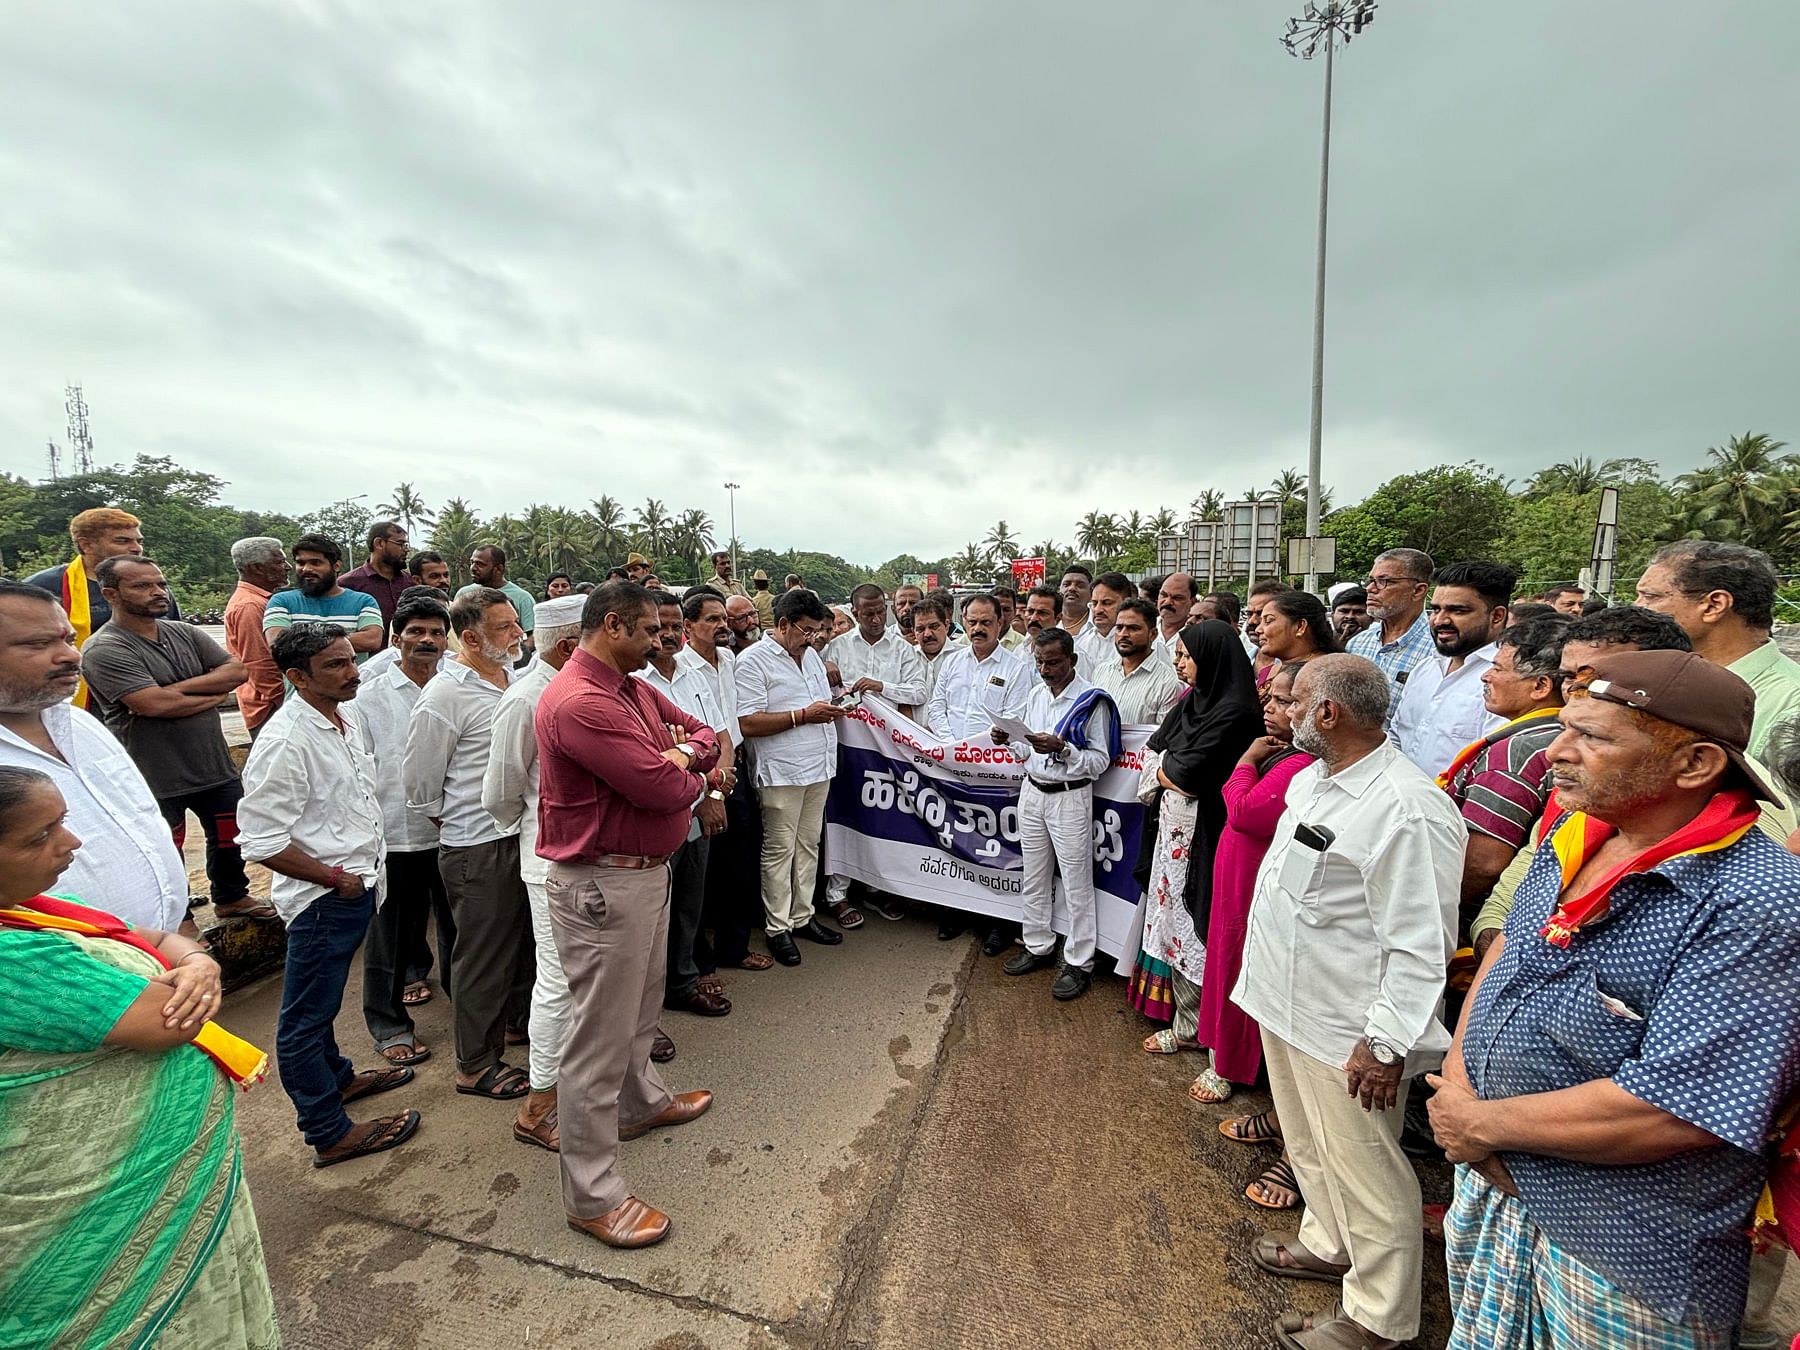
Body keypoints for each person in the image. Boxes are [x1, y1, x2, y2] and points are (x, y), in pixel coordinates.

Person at [1428, 650, 1800, 1349]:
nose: (1555, 753)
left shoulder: (1757, 901)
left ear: (1694, 765)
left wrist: (1484, 1125)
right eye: (1565, 727)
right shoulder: (1579, 830)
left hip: (1620, 1250)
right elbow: (1509, 955)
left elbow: (1680, 1108)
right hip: (1499, 1191)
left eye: (1592, 737)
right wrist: (1459, 1093)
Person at [0, 765, 279, 1347]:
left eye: (62, 823)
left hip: (164, 1189)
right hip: (91, 1215)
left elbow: (151, 937)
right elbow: (166, 1021)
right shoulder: (13, 960)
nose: (70, 842)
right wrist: (191, 972)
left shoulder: (39, 912)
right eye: (39, 836)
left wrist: (197, 961)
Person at [1233, 654, 1465, 1350]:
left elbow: (1422, 945)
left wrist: (1387, 1042)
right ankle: (1329, 1244)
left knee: (1367, 1169)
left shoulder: (1407, 809)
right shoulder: (1314, 777)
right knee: (1309, 1147)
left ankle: (1379, 1318)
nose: (1282, 709)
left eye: (1294, 700)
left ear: (1328, 713)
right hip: (1287, 1003)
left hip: (1347, 1026)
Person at [536, 580, 721, 1248]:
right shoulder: (583, 701)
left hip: (642, 876)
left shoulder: (633, 689)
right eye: (649, 631)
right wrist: (687, 763)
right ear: (612, 625)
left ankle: (641, 1101)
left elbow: (705, 734)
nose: (660, 642)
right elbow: (664, 783)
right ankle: (591, 1194)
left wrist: (683, 751)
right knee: (598, 1043)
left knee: (641, 1010)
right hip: (603, 885)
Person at [238, 624, 423, 1168]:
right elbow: (260, 840)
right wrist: (332, 879)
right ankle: (328, 1130)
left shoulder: (339, 720)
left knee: (320, 1010)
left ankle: (338, 1081)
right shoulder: (286, 740)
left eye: (350, 660)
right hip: (324, 898)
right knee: (305, 1019)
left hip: (355, 883)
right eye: (336, 666)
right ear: (297, 677)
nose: (352, 672)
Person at [404, 586, 535, 1101]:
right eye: (505, 629)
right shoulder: (443, 697)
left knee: (520, 944)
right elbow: (419, 785)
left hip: (517, 832)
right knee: (482, 955)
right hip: (477, 844)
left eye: (516, 625)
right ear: (473, 638)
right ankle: (475, 1064)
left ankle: (514, 1025)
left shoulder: (513, 680)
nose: (518, 635)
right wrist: (458, 825)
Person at [0, 580, 190, 933]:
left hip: (155, 951)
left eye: (68, 640)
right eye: (39, 643)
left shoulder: (79, 722)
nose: (72, 655)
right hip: (55, 975)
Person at [81, 556, 258, 923]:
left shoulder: (183, 632)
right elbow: (152, 703)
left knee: (231, 837)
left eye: (160, 584)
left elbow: (238, 671)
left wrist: (176, 693)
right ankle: (178, 919)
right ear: (110, 594)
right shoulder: (105, 649)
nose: (158, 592)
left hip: (213, 765)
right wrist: (206, 694)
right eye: (143, 586)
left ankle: (232, 897)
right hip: (155, 776)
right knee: (166, 848)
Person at [1201, 661, 1317, 1212]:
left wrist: (1245, 762)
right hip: (1242, 869)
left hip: (1256, 875)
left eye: (1283, 701)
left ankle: (1238, 1064)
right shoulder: (1288, 757)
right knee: (1228, 955)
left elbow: (1245, 811)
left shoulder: (1291, 763)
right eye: (1270, 699)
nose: (1269, 709)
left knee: (1243, 962)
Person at [1127, 622, 1263, 1060]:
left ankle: (1198, 1028)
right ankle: (1183, 1019)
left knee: (1196, 926)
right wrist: (1168, 768)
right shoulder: (1193, 701)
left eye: (1187, 656)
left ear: (1213, 658)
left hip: (1205, 834)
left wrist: (1167, 768)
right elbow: (1154, 749)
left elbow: (1189, 776)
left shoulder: (1237, 711)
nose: (1179, 662)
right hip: (1171, 829)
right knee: (1169, 920)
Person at [482, 593, 586, 1151]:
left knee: (586, 979)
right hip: (548, 857)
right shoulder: (526, 698)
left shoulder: (579, 689)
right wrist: (537, 831)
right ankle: (540, 1102)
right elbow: (499, 792)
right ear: (572, 645)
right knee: (558, 980)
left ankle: (582, 1086)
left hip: (587, 857)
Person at [992, 627, 1122, 1001]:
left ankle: (1080, 961)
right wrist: (1011, 740)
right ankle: (1037, 944)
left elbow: (1100, 761)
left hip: (1069, 796)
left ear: (1072, 660)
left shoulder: (1091, 701)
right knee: (1033, 873)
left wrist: (1063, 749)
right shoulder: (1035, 694)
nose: (1045, 669)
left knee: (1076, 881)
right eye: (1039, 662)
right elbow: (1026, 753)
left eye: (1053, 662)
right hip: (1033, 791)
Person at [356, 593, 457, 1068]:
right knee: (393, 934)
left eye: (437, 632)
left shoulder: (458, 686)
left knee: (463, 929)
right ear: (396, 639)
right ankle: (389, 1023)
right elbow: (357, 771)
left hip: (457, 829)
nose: (427, 641)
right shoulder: (369, 696)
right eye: (416, 632)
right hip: (397, 832)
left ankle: (471, 1012)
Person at [1441, 613, 1571, 945]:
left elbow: (1483, 863)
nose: (1485, 676)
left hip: (1480, 924)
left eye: (1498, 669)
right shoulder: (1565, 735)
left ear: (1541, 686)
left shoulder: (1517, 753)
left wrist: (1439, 911)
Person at [632, 591, 734, 1015]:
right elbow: (654, 760)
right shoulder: (635, 684)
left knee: (691, 901)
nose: (668, 637)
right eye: (659, 628)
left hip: (702, 801)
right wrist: (697, 766)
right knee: (650, 914)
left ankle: (683, 982)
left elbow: (718, 738)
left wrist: (713, 792)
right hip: (658, 813)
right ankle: (643, 1006)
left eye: (674, 627)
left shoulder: (693, 674)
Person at [734, 587, 846, 967]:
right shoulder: (753, 662)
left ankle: (803, 916)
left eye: (818, 631)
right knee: (779, 850)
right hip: (781, 771)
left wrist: (834, 708)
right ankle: (777, 927)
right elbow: (747, 722)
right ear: (783, 624)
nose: (815, 637)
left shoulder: (811, 656)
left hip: (819, 764)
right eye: (808, 630)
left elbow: (818, 703)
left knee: (809, 845)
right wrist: (803, 716)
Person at [1635, 540, 1800, 758]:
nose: (1636, 607)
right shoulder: (1661, 679)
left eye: (1650, 596)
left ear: (1714, 606)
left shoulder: (1790, 706)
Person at [680, 589, 771, 977]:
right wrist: (711, 789)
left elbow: (729, 729)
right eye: (712, 620)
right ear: (689, 626)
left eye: (724, 619)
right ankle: (700, 959)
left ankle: (735, 947)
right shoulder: (679, 670)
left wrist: (727, 780)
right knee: (699, 872)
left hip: (735, 771)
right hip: (699, 780)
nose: (722, 626)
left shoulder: (730, 659)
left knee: (739, 861)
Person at [25, 508, 183, 708]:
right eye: (123, 541)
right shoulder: (44, 587)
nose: (136, 549)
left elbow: (178, 638)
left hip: (152, 690)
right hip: (75, 694)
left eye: (138, 541)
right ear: (86, 545)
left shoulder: (154, 587)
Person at [1391, 561, 1515, 780]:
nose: (1440, 620)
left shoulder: (1510, 680)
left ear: (1497, 616)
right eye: (1435, 609)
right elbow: (1397, 735)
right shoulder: (1425, 668)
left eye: (1457, 611)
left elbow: (1493, 767)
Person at [1347, 547, 1437, 724]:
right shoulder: (1358, 643)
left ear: (1418, 590)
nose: (1371, 589)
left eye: (1384, 581)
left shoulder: (1437, 650)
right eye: (1370, 580)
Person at [263, 533, 385, 662]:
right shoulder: (281, 602)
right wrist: (341, 641)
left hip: (354, 681)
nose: (306, 569)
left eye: (315, 563)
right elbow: (279, 645)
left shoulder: (363, 601)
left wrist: (304, 641)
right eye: (300, 563)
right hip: (301, 682)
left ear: (336, 566)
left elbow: (372, 640)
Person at [928, 594, 1030, 740]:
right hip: (948, 751)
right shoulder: (952, 661)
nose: (977, 628)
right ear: (964, 622)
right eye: (972, 622)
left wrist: (979, 746)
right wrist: (950, 743)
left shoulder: (1016, 668)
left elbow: (1012, 718)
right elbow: (936, 707)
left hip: (990, 756)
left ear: (999, 622)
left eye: (986, 622)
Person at [223, 535, 291, 738]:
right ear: (257, 568)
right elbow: (261, 664)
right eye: (279, 562)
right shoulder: (251, 606)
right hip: (270, 708)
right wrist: (288, 701)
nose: (287, 567)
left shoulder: (262, 601)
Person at [1093, 597, 1182, 724]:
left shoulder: (1168, 683)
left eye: (1133, 628)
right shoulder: (1101, 672)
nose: (1123, 634)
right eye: (1119, 627)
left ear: (1152, 634)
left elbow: (1163, 738)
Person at [1251, 589, 1337, 688]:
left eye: (1268, 621)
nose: (1258, 629)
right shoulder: (1267, 672)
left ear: (1300, 626)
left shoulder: (1327, 675)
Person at [338, 520, 413, 631]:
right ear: (379, 543)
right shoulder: (347, 584)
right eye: (400, 544)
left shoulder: (410, 582)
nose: (407, 550)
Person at [460, 546, 536, 655]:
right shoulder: (463, 595)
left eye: (480, 564)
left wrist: (516, 657)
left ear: (499, 569)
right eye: (472, 562)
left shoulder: (522, 598)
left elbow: (533, 636)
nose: (473, 568)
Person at [910, 598, 954, 726]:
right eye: (920, 629)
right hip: (910, 739)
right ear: (913, 631)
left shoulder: (963, 658)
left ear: (946, 625)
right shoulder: (907, 658)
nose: (928, 634)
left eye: (934, 626)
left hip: (951, 740)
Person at [1244, 580, 1296, 679]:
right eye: (1249, 614)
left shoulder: (1302, 668)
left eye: (1264, 616)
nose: (1252, 621)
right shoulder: (1240, 661)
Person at [1059, 564, 1107, 666]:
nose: (1072, 588)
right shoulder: (1048, 623)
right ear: (1059, 590)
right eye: (1066, 584)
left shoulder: (1101, 625)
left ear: (1091, 593)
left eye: (1080, 585)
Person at [1085, 571, 1135, 665]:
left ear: (1126, 603)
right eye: (1094, 603)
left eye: (1107, 603)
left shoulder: (1141, 643)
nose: (1098, 610)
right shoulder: (1082, 644)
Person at [1152, 573, 1197, 658]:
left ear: (1193, 602)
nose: (1167, 602)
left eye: (1177, 598)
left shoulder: (1197, 636)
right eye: (1164, 595)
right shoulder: (1143, 629)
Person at [992, 586, 1028, 651]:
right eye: (997, 609)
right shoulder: (969, 641)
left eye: (1006, 610)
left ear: (1014, 613)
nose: (1001, 615)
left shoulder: (1023, 645)